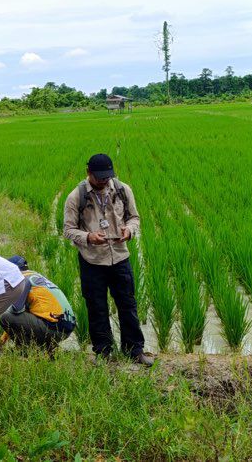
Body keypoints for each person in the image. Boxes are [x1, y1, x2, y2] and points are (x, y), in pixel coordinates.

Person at [63, 153, 153, 367]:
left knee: (128, 304)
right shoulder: (76, 196)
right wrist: (88, 237)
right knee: (97, 307)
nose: (104, 181)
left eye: (107, 176)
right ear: (88, 173)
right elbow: (68, 230)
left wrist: (129, 231)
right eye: (100, 177)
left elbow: (134, 217)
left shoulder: (122, 190)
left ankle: (134, 350)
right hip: (92, 261)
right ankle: (103, 352)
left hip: (120, 257)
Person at [0, 256, 76, 353]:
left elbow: (15, 310)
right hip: (66, 328)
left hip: (54, 328)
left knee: (5, 316)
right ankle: (48, 349)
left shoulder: (22, 279)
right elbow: (20, 317)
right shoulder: (36, 277)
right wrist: (2, 342)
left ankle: (27, 351)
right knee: (20, 316)